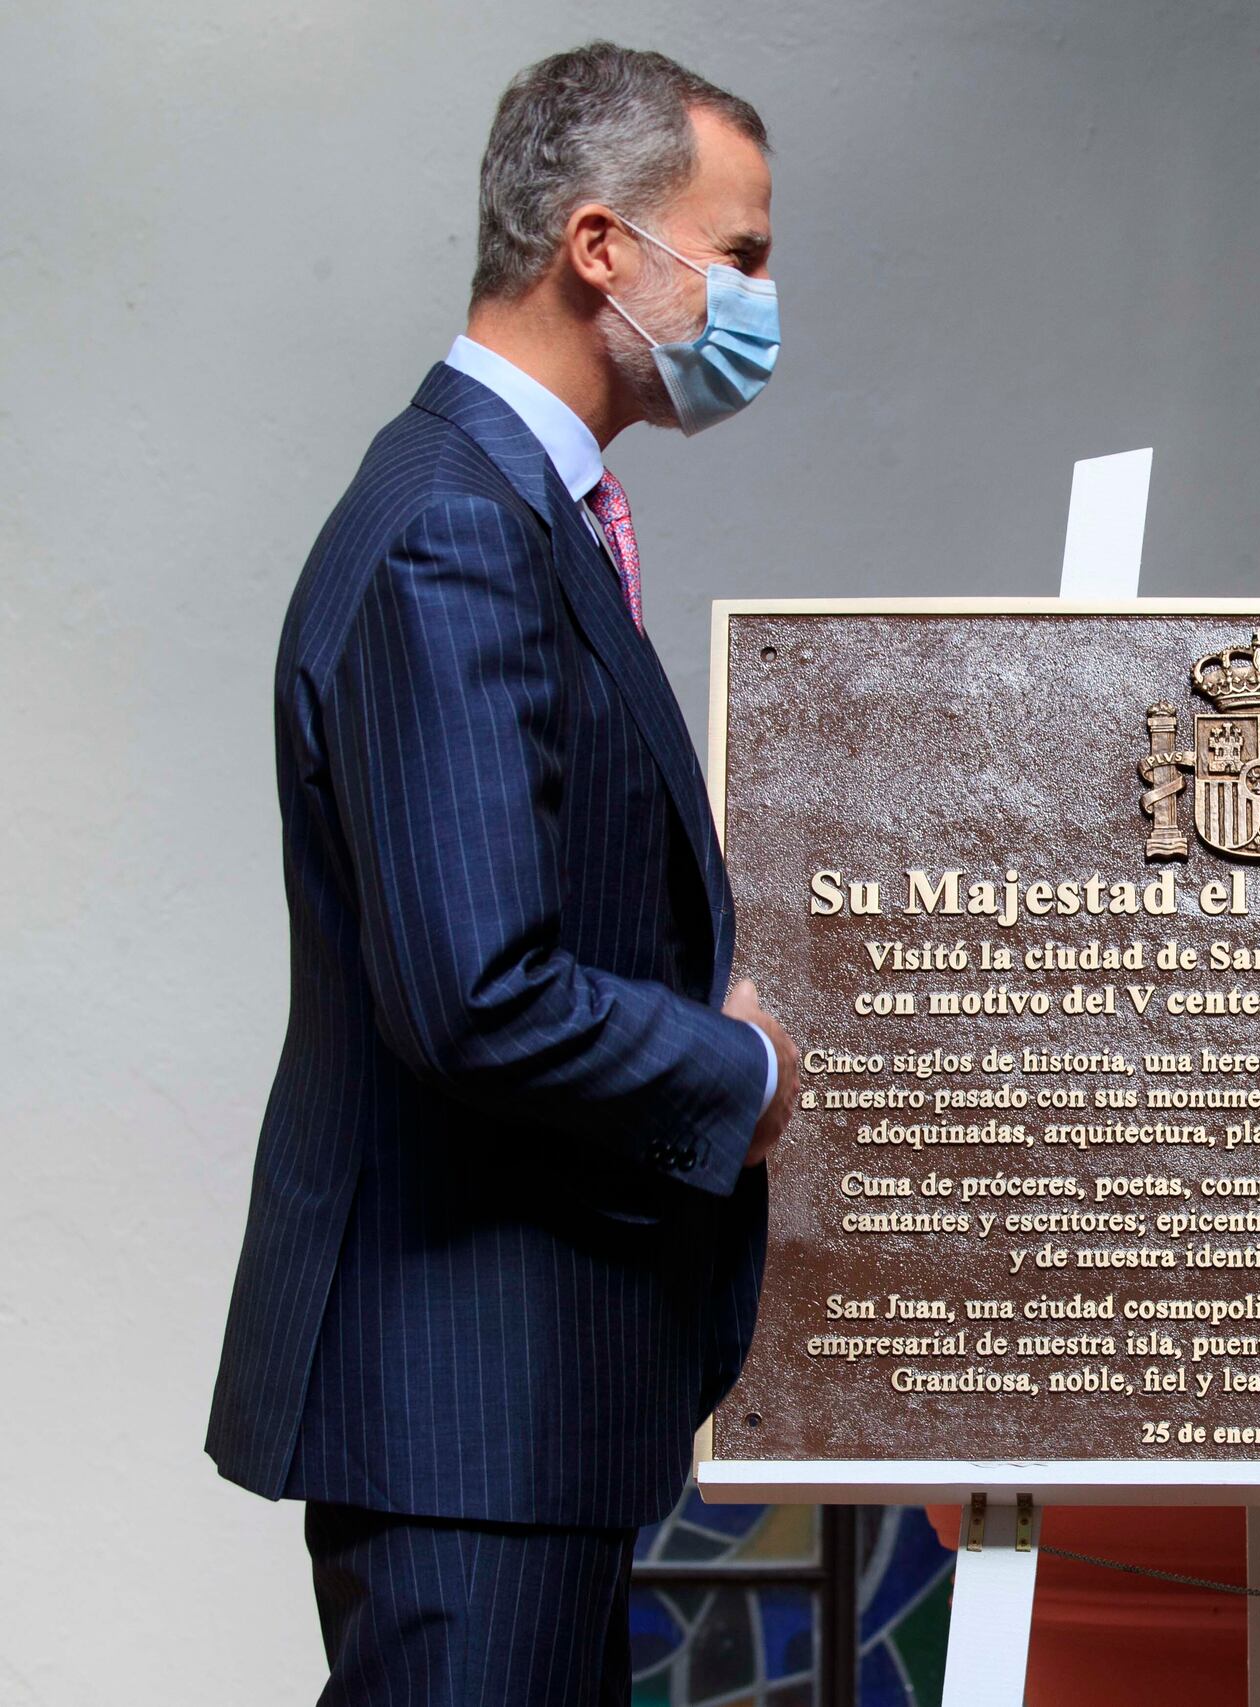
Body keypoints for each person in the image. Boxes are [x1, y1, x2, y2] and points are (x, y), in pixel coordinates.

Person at [205, 43, 799, 1704]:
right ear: (601, 245)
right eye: (740, 255)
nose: (761, 300)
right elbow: (477, 994)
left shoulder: (515, 506)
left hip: (525, 1412)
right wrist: (739, 1066)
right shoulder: (453, 528)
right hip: (470, 1406)